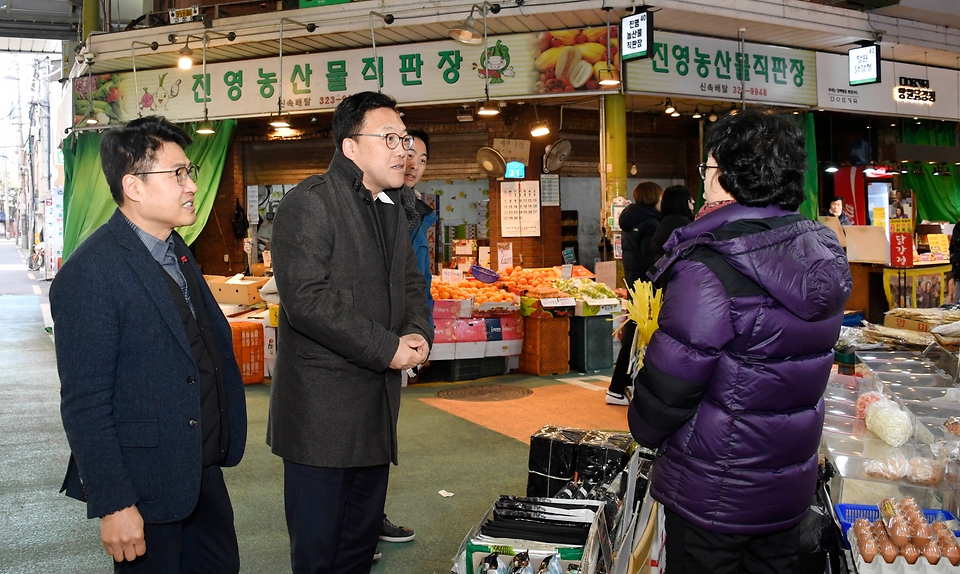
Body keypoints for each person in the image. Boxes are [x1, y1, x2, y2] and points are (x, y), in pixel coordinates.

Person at [628, 109, 851, 573]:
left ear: (729, 176)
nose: (704, 179)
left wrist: (644, 427)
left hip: (714, 493)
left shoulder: (709, 266)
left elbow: (671, 385)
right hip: (787, 489)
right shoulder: (821, 256)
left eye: (708, 167)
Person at [51, 116, 248, 571]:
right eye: (177, 174)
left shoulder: (176, 251)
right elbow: (85, 402)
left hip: (201, 475)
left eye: (189, 172)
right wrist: (114, 503)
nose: (192, 185)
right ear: (133, 186)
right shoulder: (89, 274)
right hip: (144, 487)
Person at [267, 91, 433, 574]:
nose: (403, 150)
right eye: (390, 139)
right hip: (322, 420)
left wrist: (418, 332)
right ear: (350, 147)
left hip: (374, 415)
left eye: (404, 139)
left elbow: (411, 282)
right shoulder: (311, 203)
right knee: (319, 554)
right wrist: (388, 349)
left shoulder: (392, 205)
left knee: (358, 551)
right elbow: (307, 302)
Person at [374, 128, 439, 546]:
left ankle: (370, 518)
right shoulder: (379, 205)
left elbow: (418, 280)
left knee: (383, 427)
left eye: (422, 158)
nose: (413, 163)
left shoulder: (416, 210)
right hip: (376, 333)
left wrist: (421, 329)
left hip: (404, 329)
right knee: (365, 430)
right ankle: (362, 523)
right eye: (406, 152)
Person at [606, 181, 662, 406]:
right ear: (654, 198)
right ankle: (618, 387)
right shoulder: (650, 224)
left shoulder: (631, 221)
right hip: (646, 288)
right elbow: (651, 259)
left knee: (632, 335)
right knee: (636, 337)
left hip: (634, 284)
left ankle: (621, 385)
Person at [650, 185, 694, 263]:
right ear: (683, 203)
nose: (693, 202)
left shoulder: (664, 223)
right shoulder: (685, 228)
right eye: (690, 200)